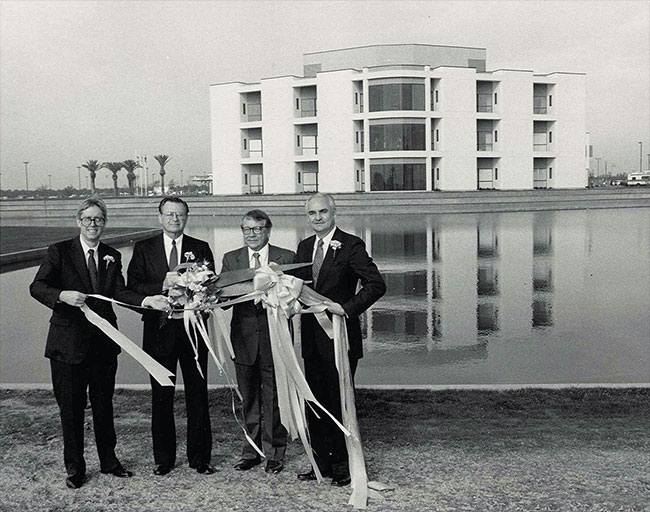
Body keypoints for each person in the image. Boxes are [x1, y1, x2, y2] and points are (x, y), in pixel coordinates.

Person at [30, 197, 167, 489]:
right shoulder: (60, 251)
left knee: (104, 405)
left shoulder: (111, 255)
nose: (93, 225)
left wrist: (147, 300)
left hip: (104, 345)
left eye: (99, 219)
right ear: (79, 222)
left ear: (104, 223)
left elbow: (119, 292)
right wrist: (62, 296)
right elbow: (37, 286)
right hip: (67, 346)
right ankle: (75, 468)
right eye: (88, 219)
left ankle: (109, 461)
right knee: (71, 408)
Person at [293, 193, 386, 487]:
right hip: (311, 339)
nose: (317, 217)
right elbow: (297, 287)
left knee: (339, 403)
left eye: (323, 211)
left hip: (339, 338)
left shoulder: (351, 245)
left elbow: (376, 284)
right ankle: (321, 463)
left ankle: (344, 466)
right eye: (312, 213)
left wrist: (346, 308)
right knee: (316, 404)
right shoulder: (305, 247)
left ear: (334, 212)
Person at [127, 197, 215, 476]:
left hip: (193, 332)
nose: (174, 219)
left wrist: (200, 301)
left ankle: (200, 458)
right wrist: (161, 285)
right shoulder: (144, 248)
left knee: (198, 395)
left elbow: (212, 288)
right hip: (158, 332)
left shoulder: (200, 248)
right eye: (169, 214)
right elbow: (133, 287)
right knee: (161, 396)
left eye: (179, 214)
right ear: (160, 217)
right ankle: (163, 459)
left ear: (187, 217)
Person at [221, 210, 295, 475]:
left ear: (268, 230)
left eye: (257, 229)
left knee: (274, 397)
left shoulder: (286, 258)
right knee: (249, 397)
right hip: (242, 339)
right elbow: (224, 298)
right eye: (246, 229)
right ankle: (251, 450)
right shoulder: (231, 259)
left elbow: (295, 301)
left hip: (275, 337)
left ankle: (275, 452)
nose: (251, 234)